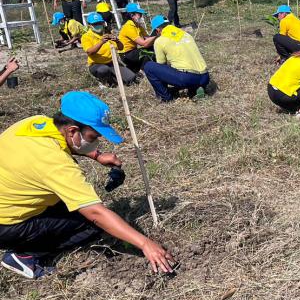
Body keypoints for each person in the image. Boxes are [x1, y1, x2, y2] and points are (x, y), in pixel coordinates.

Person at [0, 91, 175, 279]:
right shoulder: (56, 164)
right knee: (92, 225)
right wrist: (145, 244)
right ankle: (23, 256)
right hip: (6, 226)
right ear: (73, 130)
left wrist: (96, 155)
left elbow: (63, 144)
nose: (96, 141)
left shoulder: (35, 123)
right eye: (93, 137)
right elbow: (96, 213)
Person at [142, 15, 208, 102]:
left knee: (149, 66)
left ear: (158, 30)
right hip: (205, 77)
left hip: (187, 77)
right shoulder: (186, 34)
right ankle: (196, 88)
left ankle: (165, 97)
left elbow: (161, 65)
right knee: (184, 68)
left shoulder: (160, 40)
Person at [81, 12, 137, 87]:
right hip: (96, 64)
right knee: (103, 70)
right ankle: (103, 82)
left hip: (112, 63)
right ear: (90, 25)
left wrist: (117, 41)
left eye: (100, 23)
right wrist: (101, 42)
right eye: (95, 24)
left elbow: (121, 48)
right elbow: (90, 52)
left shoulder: (107, 34)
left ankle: (113, 77)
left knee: (131, 78)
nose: (98, 25)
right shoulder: (86, 36)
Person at [118, 2, 156, 73]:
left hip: (133, 51)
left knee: (152, 48)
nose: (141, 16)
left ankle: (140, 69)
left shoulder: (137, 25)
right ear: (132, 15)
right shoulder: (128, 26)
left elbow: (147, 38)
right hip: (126, 54)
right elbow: (144, 43)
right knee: (147, 52)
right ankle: (143, 71)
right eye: (139, 14)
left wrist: (155, 38)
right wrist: (156, 36)